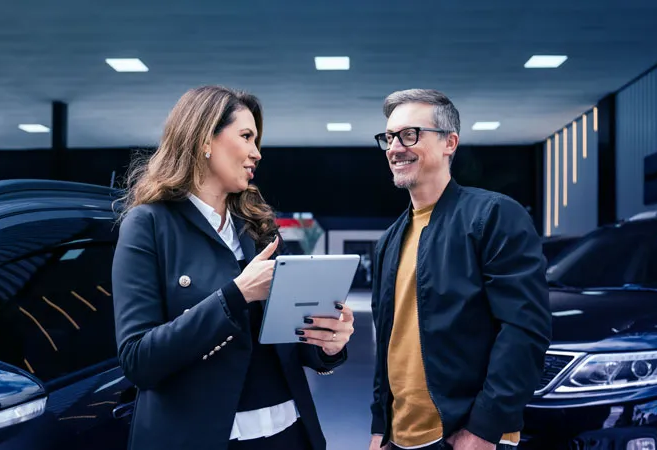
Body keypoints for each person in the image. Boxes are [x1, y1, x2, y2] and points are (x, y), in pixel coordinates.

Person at [112, 85, 354, 450]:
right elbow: (138, 361)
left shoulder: (258, 226)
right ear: (204, 139)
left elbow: (287, 342)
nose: (257, 153)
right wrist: (236, 295)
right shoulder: (148, 224)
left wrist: (327, 344)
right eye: (246, 137)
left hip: (289, 435)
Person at [367, 89, 552, 450]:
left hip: (465, 437)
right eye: (389, 137)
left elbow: (524, 330)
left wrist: (484, 428)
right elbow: (387, 343)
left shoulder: (493, 215)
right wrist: (380, 427)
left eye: (410, 134)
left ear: (449, 143)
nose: (395, 148)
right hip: (401, 438)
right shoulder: (389, 240)